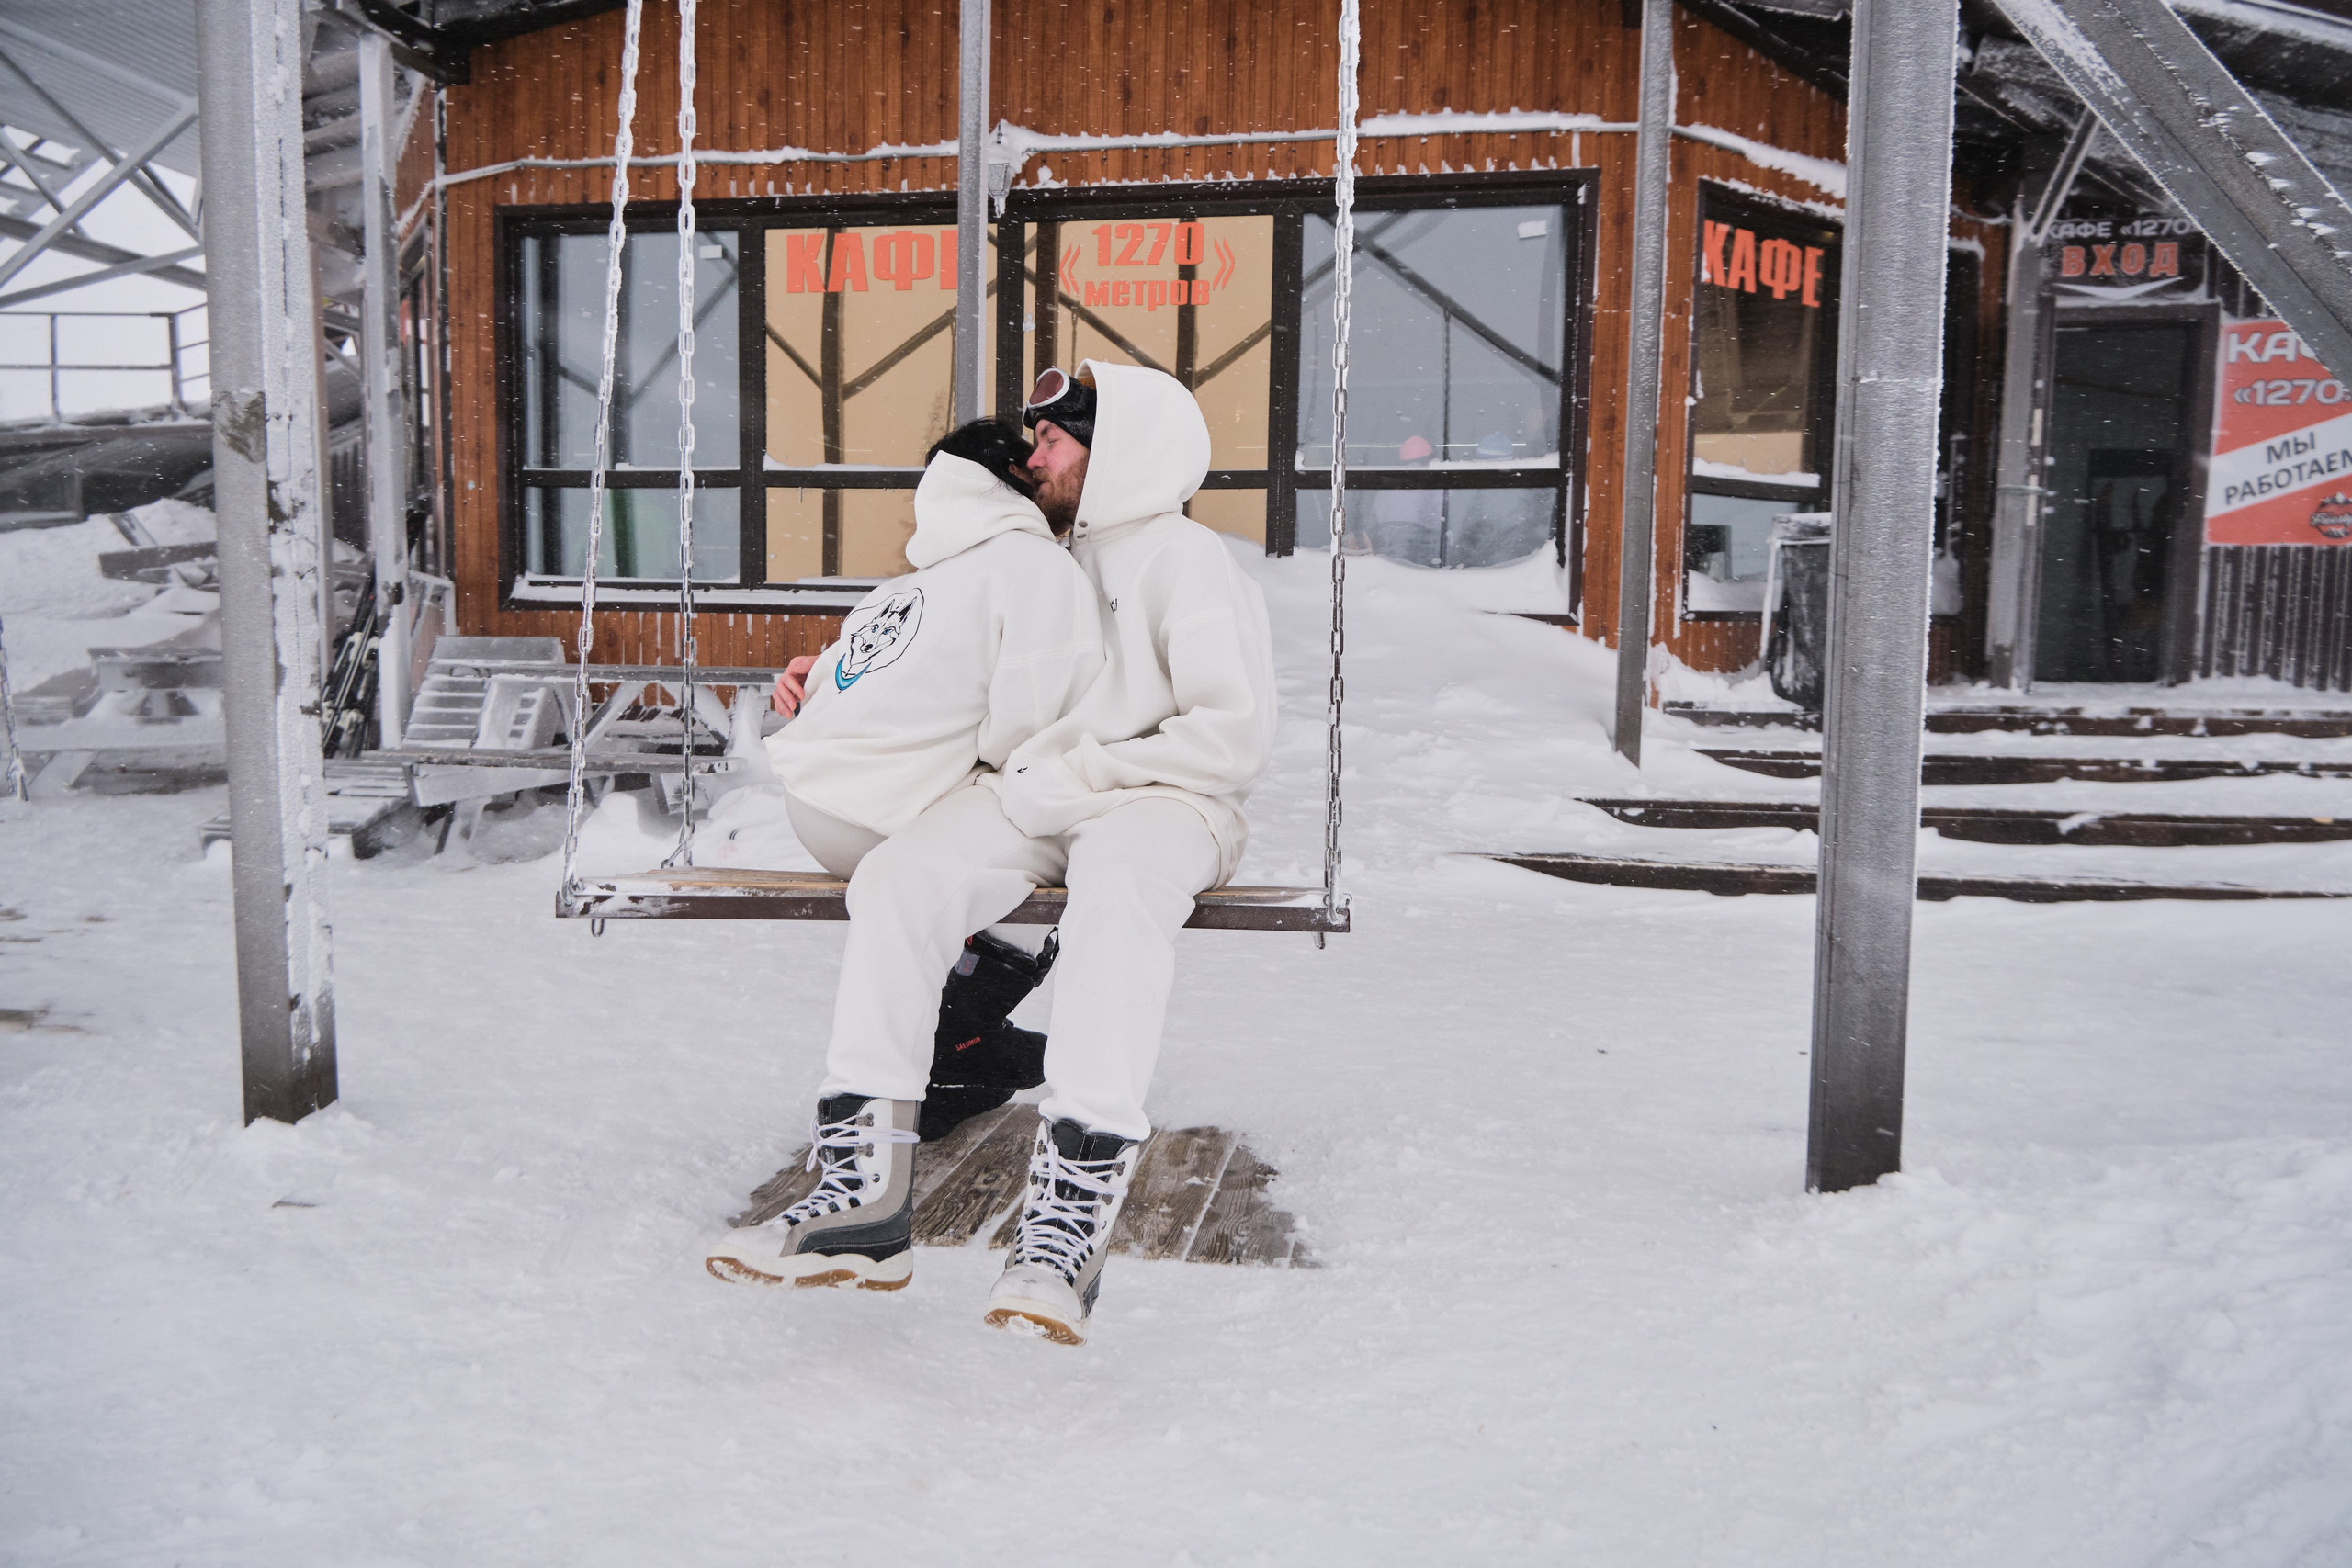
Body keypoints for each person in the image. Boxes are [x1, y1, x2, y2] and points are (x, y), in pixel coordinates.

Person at [708, 363, 1277, 1345]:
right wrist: (832, 685)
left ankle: (1064, 1229)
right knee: (899, 878)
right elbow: (947, 687)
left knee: (1115, 887)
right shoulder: (1029, 554)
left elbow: (1229, 732)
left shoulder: (1185, 560)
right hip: (1030, 796)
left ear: (1124, 454)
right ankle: (863, 1193)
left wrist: (1071, 776)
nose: (1033, 457)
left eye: (1055, 441)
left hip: (1164, 802)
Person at [701, 419, 1104, 1292]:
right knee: (1036, 838)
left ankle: (933, 1083)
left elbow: (871, 680)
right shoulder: (1035, 568)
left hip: (817, 804)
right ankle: (965, 1042)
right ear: (1016, 481)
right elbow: (1034, 729)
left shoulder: (916, 577)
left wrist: (826, 678)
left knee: (947, 876)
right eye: (1035, 458)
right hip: (884, 813)